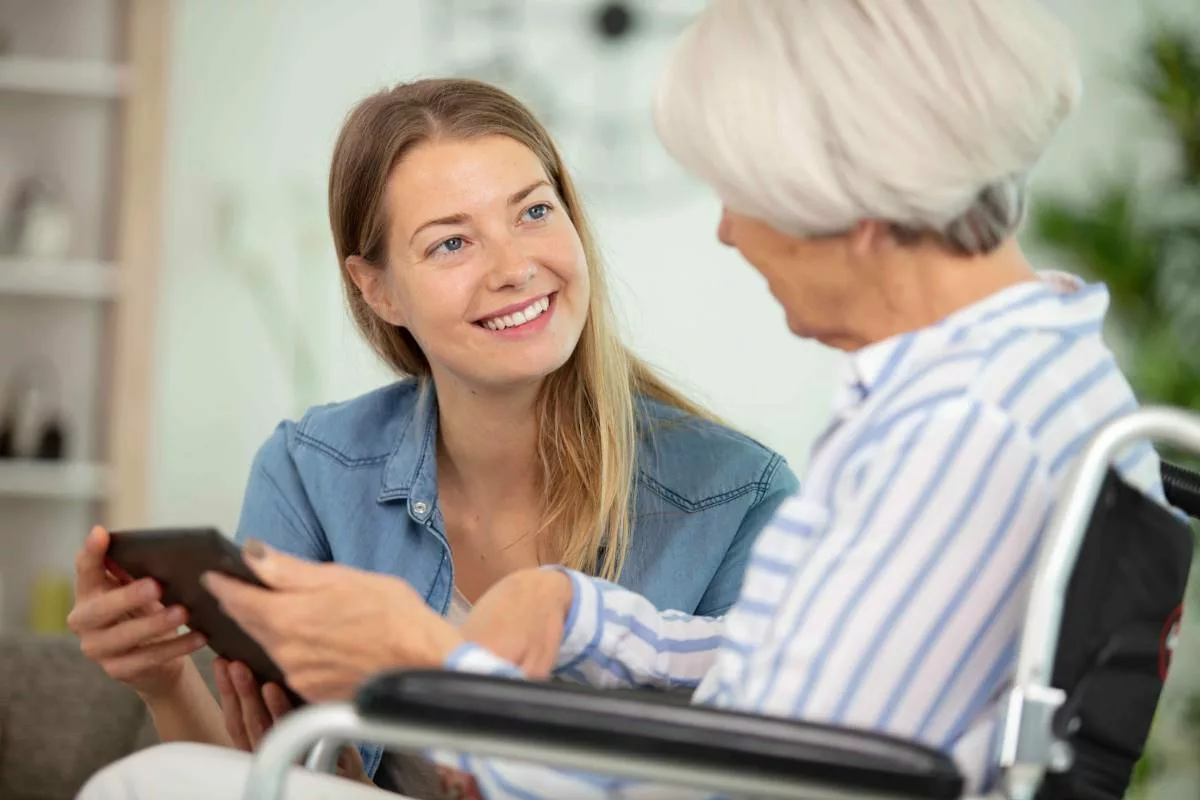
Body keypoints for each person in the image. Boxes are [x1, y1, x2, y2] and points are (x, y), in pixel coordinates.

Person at [76, 0, 1172, 798]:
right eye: (451, 240)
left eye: (744, 191)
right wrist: (579, 605)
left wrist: (431, 666)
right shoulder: (1031, 373)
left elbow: (766, 776)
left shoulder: (954, 433)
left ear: (852, 197)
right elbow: (788, 685)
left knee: (152, 783)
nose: (727, 230)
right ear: (377, 285)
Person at [67, 76, 798, 796]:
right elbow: (251, 775)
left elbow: (750, 775)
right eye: (451, 244)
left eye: (534, 212)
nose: (515, 268)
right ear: (377, 289)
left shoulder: (736, 497)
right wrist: (162, 682)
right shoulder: (311, 474)